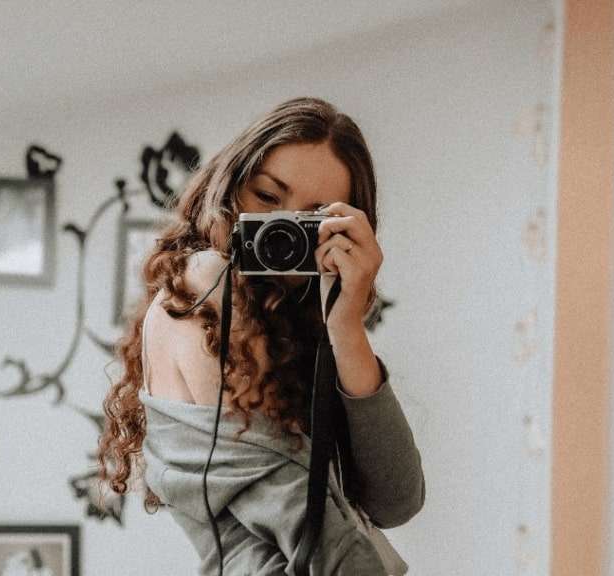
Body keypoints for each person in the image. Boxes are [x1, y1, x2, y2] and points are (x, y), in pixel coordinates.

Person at [97, 97, 425, 575]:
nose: (281, 227)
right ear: (227, 188)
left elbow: (396, 500)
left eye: (311, 218)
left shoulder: (299, 326)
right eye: (268, 198)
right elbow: (296, 509)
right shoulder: (206, 282)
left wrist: (346, 326)